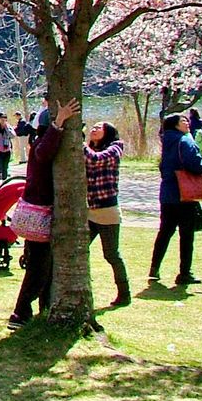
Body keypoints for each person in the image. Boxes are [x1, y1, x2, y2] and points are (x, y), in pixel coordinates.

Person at [7, 98, 79, 329]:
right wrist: (59, 121)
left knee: (44, 265)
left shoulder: (38, 143)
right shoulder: (40, 145)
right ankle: (20, 312)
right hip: (38, 216)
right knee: (38, 268)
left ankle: (44, 306)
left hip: (37, 214)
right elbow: (46, 152)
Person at [150, 113, 202, 285]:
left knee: (165, 231)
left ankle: (155, 267)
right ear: (175, 125)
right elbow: (195, 164)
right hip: (185, 193)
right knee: (186, 234)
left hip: (167, 193)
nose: (187, 123)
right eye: (183, 120)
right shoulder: (185, 141)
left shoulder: (166, 141)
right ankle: (185, 273)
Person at [85, 121, 130, 307]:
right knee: (80, 248)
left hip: (107, 209)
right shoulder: (87, 149)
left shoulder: (115, 147)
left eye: (99, 127)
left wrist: (79, 144)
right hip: (89, 210)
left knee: (111, 254)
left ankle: (124, 293)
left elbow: (97, 159)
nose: (94, 129)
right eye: (93, 127)